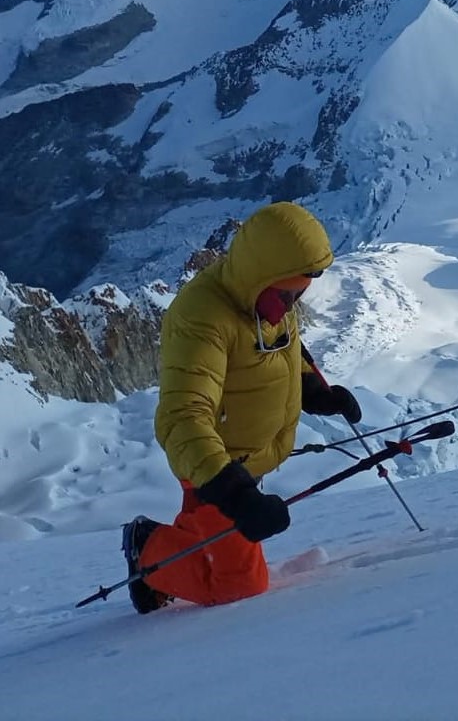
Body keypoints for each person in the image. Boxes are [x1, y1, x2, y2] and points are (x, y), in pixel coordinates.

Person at [120, 201, 362, 612]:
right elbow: (183, 417)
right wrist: (234, 493)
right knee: (240, 584)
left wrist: (313, 390)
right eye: (287, 293)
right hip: (216, 467)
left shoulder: (265, 297)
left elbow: (282, 352)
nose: (292, 304)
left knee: (212, 533)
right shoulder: (202, 319)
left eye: (299, 293)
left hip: (242, 463)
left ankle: (176, 545)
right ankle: (146, 548)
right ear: (262, 277)